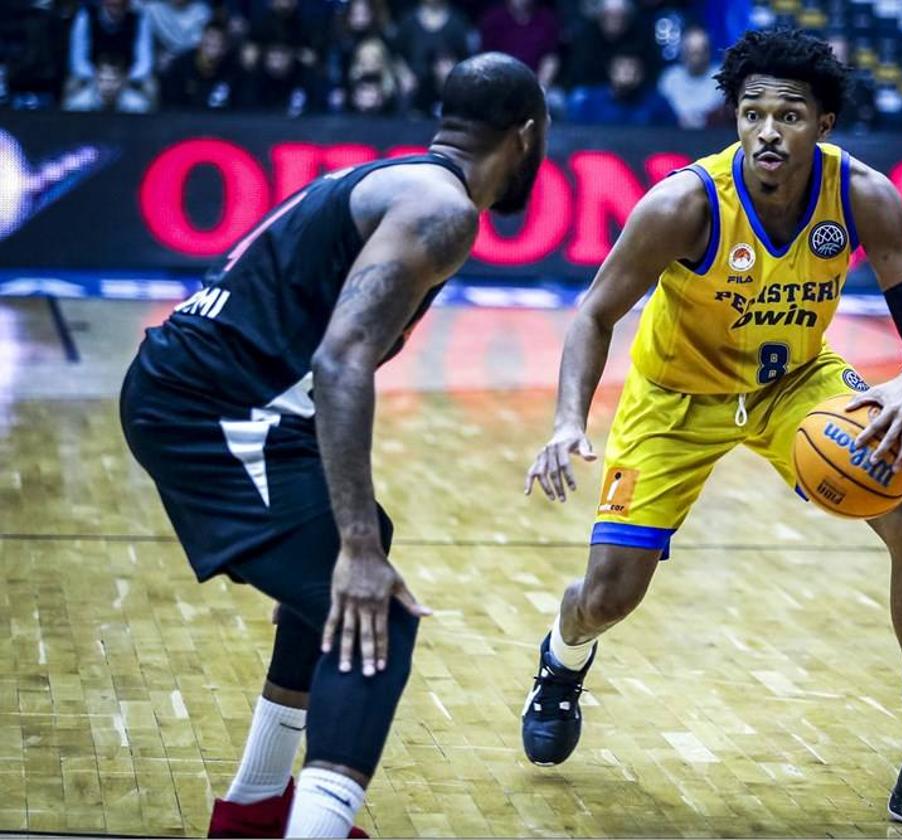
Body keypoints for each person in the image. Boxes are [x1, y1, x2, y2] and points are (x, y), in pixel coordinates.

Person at [521, 28, 902, 837]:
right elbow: (594, 311)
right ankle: (562, 661)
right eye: (752, 113)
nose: (768, 131)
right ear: (735, 119)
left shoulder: (864, 196)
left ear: (825, 123)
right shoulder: (683, 203)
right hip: (675, 400)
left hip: (792, 386)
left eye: (788, 114)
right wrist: (569, 420)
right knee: (608, 596)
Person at [119, 52, 547, 839]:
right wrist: (351, 549)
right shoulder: (442, 211)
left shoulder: (400, 179)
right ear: (527, 135)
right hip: (211, 410)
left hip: (225, 400)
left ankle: (251, 808)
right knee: (375, 610)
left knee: (362, 554)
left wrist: (359, 536)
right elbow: (341, 359)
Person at [567, 50, 677, 126]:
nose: (627, 73)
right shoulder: (592, 102)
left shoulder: (657, 104)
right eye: (621, 68)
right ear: (611, 72)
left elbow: (673, 135)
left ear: (641, 75)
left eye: (632, 68)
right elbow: (578, 135)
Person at [159, 21, 241, 110]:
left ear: (226, 48)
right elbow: (171, 106)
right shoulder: (181, 65)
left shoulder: (233, 68)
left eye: (219, 43)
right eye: (209, 43)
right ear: (200, 43)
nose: (213, 48)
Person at [657, 24, 724, 128]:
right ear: (683, 52)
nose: (696, 58)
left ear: (709, 52)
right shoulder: (669, 78)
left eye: (700, 51)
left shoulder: (721, 78)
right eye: (691, 51)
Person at [63, 52, 152, 111]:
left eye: (113, 81)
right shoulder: (78, 106)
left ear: (122, 82)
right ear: (95, 81)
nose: (108, 86)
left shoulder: (138, 107)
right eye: (103, 80)